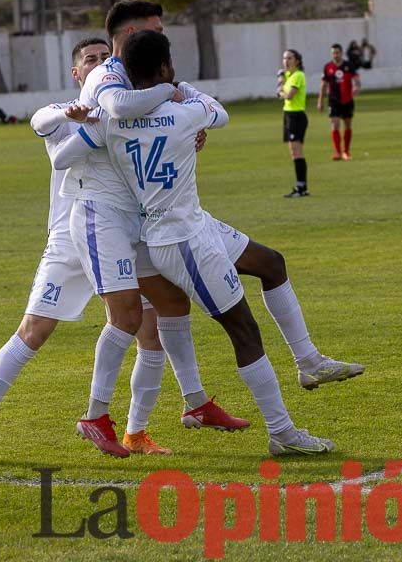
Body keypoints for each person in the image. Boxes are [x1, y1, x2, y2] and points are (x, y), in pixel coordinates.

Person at [53, 29, 339, 456]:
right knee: (242, 328)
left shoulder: (109, 121)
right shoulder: (185, 114)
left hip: (166, 230)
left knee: (210, 299)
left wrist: (81, 120)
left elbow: (62, 157)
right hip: (185, 240)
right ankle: (281, 432)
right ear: (166, 67)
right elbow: (218, 113)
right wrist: (177, 90)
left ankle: (197, 403)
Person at [0, 38, 183, 467]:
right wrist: (67, 113)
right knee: (32, 332)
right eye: (89, 59)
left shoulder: (126, 112)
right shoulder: (64, 115)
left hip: (123, 236)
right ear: (77, 74)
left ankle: (135, 431)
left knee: (152, 330)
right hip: (71, 242)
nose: (98, 64)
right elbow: (39, 120)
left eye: (104, 59)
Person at [318, 43, 359, 161]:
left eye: (337, 53)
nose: (335, 55)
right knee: (334, 124)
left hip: (347, 100)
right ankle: (337, 152)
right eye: (333, 53)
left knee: (347, 125)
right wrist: (320, 101)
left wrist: (356, 87)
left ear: (341, 53)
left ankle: (346, 152)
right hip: (334, 100)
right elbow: (323, 85)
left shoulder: (349, 65)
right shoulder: (328, 67)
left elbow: (356, 80)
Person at [277, 49, 309, 197]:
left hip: (296, 116)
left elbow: (289, 96)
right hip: (289, 115)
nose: (286, 61)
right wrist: (281, 83)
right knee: (294, 152)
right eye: (284, 58)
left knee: (297, 152)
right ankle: (301, 186)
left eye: (289, 58)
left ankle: (301, 187)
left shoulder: (298, 75)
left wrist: (280, 91)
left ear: (297, 60)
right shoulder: (288, 76)